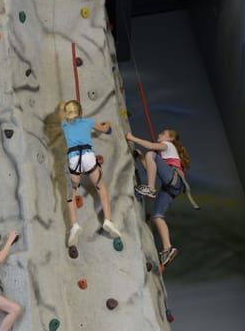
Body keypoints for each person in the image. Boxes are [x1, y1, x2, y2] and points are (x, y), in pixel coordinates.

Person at [59, 100, 121, 247]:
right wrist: (107, 124)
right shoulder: (88, 122)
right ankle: (108, 221)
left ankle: (74, 225)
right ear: (81, 112)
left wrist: (62, 106)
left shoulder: (65, 124)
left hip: (74, 159)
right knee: (101, 188)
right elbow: (104, 129)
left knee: (72, 194)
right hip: (88, 157)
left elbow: (61, 113)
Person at [126, 128, 190, 266]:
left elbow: (150, 147)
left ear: (171, 138)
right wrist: (142, 157)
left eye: (163, 133)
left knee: (151, 154)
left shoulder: (168, 145)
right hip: (171, 187)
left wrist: (133, 138)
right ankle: (167, 248)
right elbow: (150, 168)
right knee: (157, 216)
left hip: (173, 180)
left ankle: (150, 189)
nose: (159, 135)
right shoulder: (163, 155)